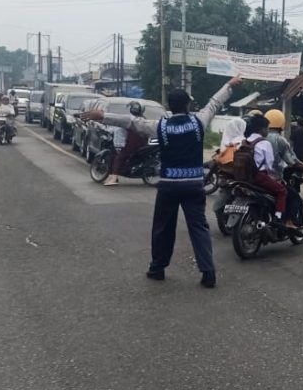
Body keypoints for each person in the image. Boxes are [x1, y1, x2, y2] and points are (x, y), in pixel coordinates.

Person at [83, 76, 241, 288]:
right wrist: (229, 84)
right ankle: (208, 273)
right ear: (187, 106)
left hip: (168, 185)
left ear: (169, 107)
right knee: (199, 229)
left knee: (163, 228)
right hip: (194, 185)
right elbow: (214, 102)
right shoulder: (199, 122)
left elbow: (130, 122)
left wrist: (102, 115)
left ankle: (157, 269)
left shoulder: (160, 126)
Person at [237, 115, 290, 223]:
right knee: (282, 190)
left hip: (243, 176)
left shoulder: (245, 141)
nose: (268, 131)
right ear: (262, 129)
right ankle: (278, 217)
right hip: (258, 177)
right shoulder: (265, 143)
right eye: (267, 128)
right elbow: (270, 165)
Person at [263, 109, 303, 226]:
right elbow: (292, 160)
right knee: (294, 197)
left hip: (257, 177)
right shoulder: (280, 139)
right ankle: (288, 221)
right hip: (273, 177)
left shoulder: (260, 136)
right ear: (281, 123)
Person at [103, 101, 149, 186]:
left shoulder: (130, 120)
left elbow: (117, 128)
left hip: (132, 144)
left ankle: (114, 177)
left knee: (119, 158)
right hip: (143, 143)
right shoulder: (144, 119)